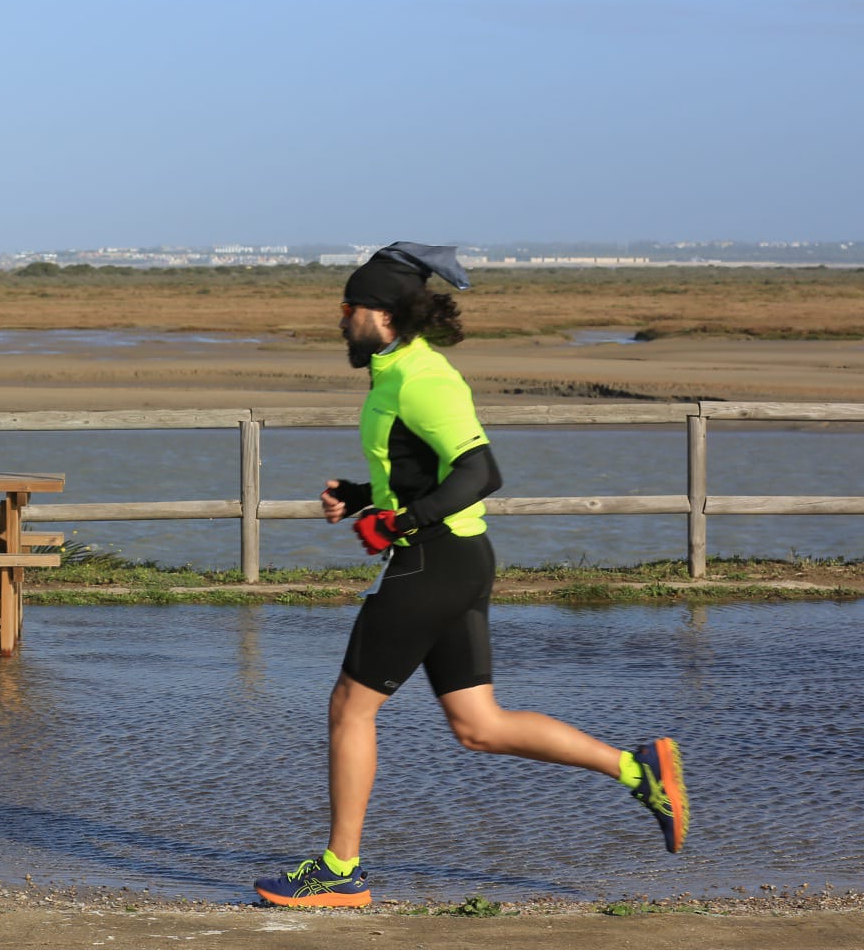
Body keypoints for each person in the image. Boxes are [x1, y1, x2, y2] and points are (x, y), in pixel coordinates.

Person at [253, 242, 689, 909]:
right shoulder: (395, 370)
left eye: (350, 307)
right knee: (479, 725)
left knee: (350, 706)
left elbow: (481, 473)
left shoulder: (423, 379)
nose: (341, 318)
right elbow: (422, 468)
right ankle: (638, 769)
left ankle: (340, 869)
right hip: (451, 559)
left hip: (437, 562)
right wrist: (365, 493)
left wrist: (400, 525)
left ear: (385, 315)